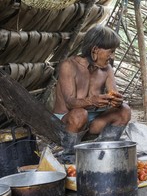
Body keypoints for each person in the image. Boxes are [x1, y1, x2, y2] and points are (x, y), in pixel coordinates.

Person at [53, 25, 131, 156]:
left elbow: (115, 98)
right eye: (110, 52)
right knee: (79, 114)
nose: (112, 56)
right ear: (95, 50)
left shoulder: (107, 69)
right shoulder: (69, 66)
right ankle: (69, 155)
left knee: (125, 110)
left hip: (93, 121)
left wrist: (117, 101)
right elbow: (70, 103)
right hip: (68, 120)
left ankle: (105, 152)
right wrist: (92, 101)